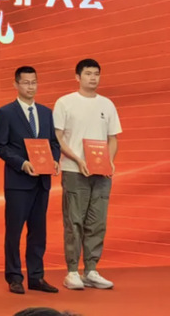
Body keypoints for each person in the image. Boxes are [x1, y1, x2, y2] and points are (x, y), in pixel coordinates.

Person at [53, 58, 121, 290]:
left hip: (101, 174)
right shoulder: (65, 103)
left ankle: (91, 269)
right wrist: (78, 159)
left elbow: (113, 138)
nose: (93, 78)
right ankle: (72, 271)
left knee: (97, 222)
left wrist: (109, 161)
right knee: (74, 221)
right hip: (75, 171)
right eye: (88, 74)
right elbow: (58, 138)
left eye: (96, 74)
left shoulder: (107, 104)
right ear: (77, 77)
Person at [0, 66, 60, 294]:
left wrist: (55, 160)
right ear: (16, 84)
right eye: (26, 82)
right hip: (18, 182)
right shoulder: (6, 113)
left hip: (42, 182)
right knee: (14, 232)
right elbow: (0, 146)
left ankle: (36, 277)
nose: (31, 87)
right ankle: (14, 277)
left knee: (38, 232)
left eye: (34, 82)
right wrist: (22, 163)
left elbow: (53, 143)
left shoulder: (46, 112)